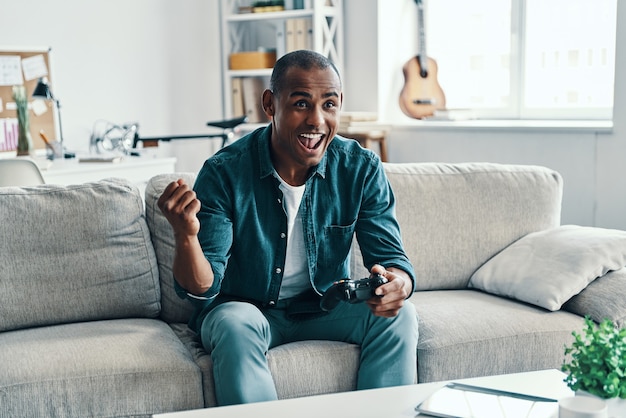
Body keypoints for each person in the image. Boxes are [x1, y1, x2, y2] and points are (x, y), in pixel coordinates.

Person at [158, 49, 418, 406]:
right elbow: (202, 289)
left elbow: (391, 258)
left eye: (329, 105)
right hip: (245, 307)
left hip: (326, 304)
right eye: (300, 104)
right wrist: (186, 237)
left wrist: (396, 284)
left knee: (399, 316)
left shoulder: (361, 168)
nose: (317, 121)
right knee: (235, 324)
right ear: (270, 104)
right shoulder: (224, 171)